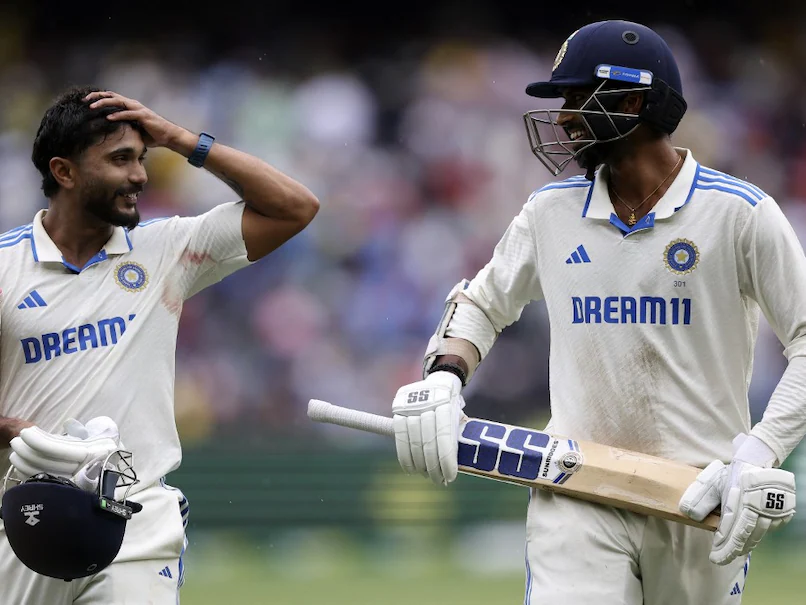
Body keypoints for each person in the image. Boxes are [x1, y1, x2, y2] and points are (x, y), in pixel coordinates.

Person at [391, 19, 802, 604]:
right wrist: (443, 377)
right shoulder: (548, 212)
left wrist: (760, 450)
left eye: (577, 98)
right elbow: (481, 303)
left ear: (634, 100)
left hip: (698, 496)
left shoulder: (739, 214)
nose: (561, 117)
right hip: (575, 486)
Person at [0, 85, 319, 604]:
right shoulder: (4, 266)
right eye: (120, 159)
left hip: (136, 523)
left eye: (142, 158)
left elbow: (295, 208)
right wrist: (14, 432)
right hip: (24, 525)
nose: (140, 175)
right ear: (64, 172)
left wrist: (182, 140)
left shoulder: (166, 247)